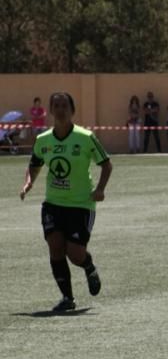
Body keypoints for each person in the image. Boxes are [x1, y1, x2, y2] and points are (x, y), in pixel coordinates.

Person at [19, 92, 112, 312]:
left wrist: (99, 189)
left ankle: (88, 267)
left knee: (75, 254)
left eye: (64, 106)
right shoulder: (43, 140)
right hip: (53, 202)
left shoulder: (86, 137)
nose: (60, 109)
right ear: (51, 110)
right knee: (55, 247)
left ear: (72, 110)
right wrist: (28, 182)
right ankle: (67, 298)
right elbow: (34, 164)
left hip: (81, 204)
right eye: (56, 105)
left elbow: (106, 164)